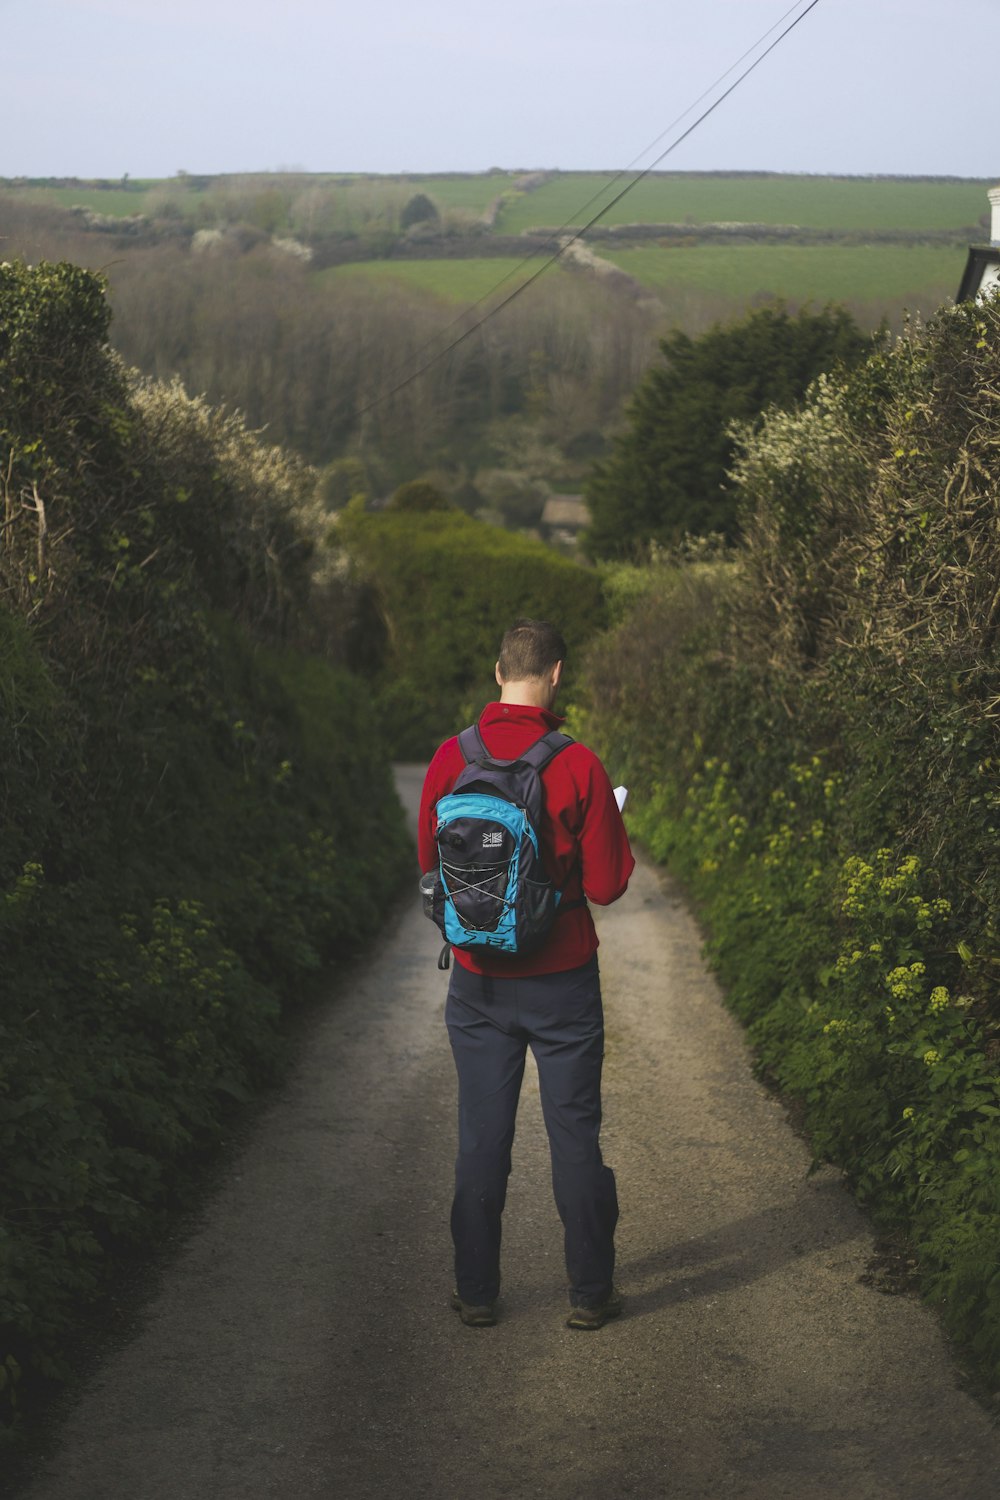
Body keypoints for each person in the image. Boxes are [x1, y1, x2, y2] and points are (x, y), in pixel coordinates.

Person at [418, 618, 635, 1330]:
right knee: (574, 1135)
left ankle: (477, 1292)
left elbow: (430, 867)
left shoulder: (453, 757)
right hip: (563, 979)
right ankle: (588, 1294)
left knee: (482, 1137)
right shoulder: (578, 764)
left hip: (477, 980)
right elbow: (606, 886)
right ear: (557, 675)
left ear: (497, 672)